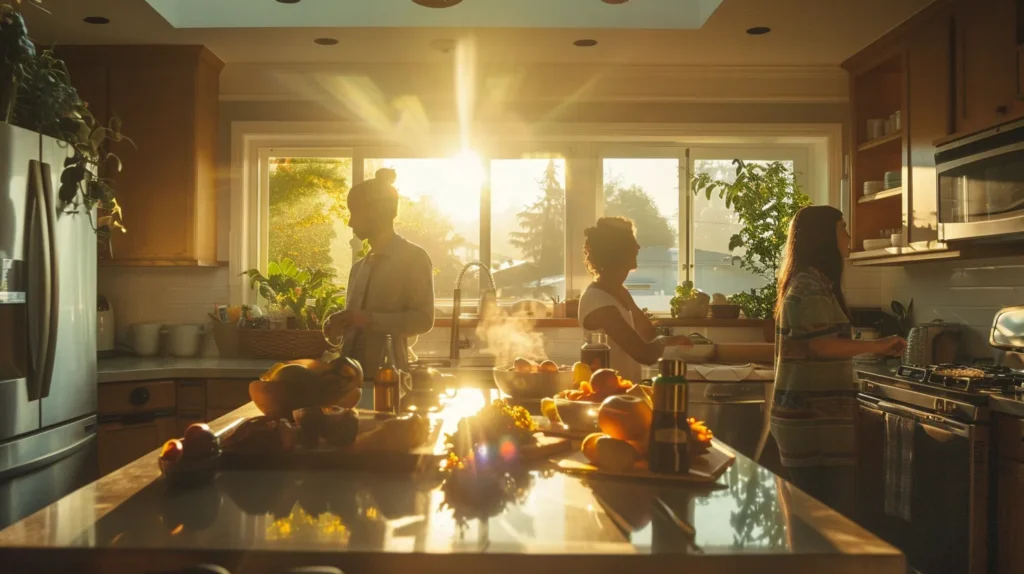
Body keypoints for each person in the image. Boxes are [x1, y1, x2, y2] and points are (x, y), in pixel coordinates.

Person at [770, 205, 906, 516]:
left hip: (812, 421)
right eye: (842, 228)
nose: (848, 236)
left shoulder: (814, 283)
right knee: (826, 522)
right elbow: (822, 346)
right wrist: (879, 345)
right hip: (810, 423)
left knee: (815, 521)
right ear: (823, 237)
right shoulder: (809, 286)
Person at [324, 168, 435, 377]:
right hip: (349, 379)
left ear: (376, 213)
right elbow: (353, 326)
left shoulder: (414, 258)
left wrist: (367, 319)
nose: (350, 222)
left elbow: (423, 320)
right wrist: (336, 326)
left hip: (390, 378)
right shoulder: (359, 268)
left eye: (355, 213)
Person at [577, 217, 693, 383]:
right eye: (632, 241)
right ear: (617, 250)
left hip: (624, 393)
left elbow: (648, 334)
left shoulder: (620, 292)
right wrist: (667, 341)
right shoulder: (596, 300)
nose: (638, 246)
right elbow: (644, 354)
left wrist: (671, 340)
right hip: (605, 397)